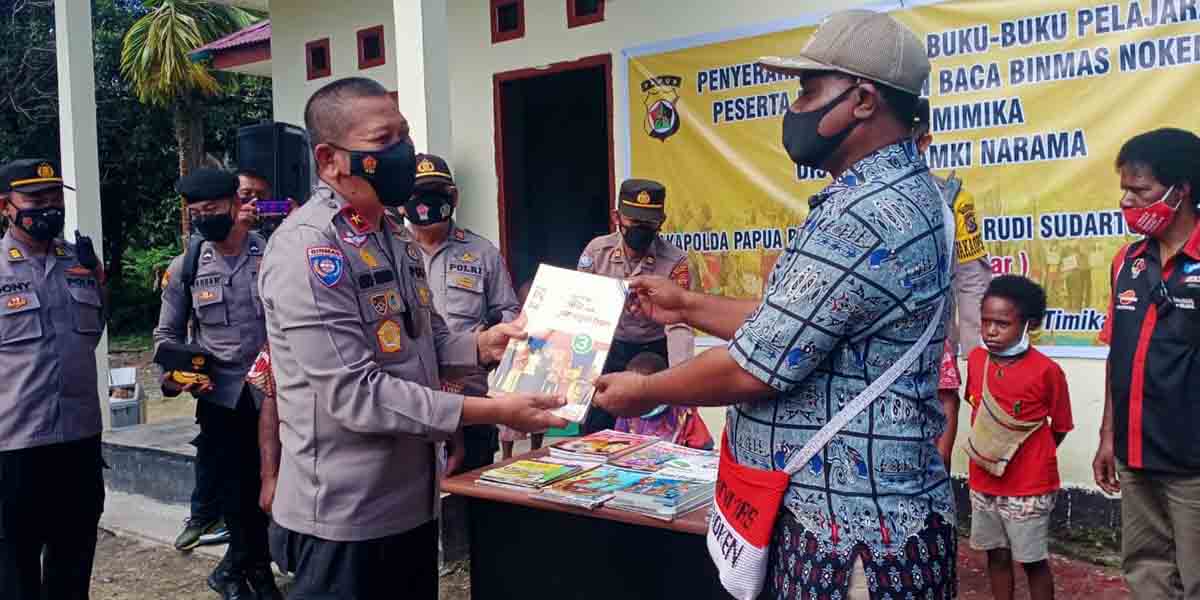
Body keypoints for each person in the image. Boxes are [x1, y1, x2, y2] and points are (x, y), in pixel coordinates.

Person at [594, 11, 958, 599]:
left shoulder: (864, 214)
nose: (796, 106)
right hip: (861, 516)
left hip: (852, 536)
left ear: (863, 100)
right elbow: (793, 326)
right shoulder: (907, 193)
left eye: (809, 89)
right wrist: (686, 304)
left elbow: (752, 366)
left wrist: (642, 392)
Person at [257, 76, 566, 599]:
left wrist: (487, 343)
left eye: (405, 135)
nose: (404, 152)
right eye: (384, 142)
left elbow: (423, 343)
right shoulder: (309, 253)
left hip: (410, 503)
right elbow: (357, 396)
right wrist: (495, 410)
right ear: (331, 161)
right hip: (342, 517)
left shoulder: (390, 234)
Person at [154, 168, 281, 600]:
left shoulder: (272, 255)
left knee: (272, 489)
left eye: (212, 209)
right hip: (222, 398)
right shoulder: (186, 267)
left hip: (275, 396)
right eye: (196, 213)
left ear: (234, 203)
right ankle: (253, 576)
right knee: (236, 493)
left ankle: (239, 571)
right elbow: (166, 340)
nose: (205, 218)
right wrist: (180, 378)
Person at [1094, 128, 1200, 599]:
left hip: (1193, 463)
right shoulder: (1127, 262)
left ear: (1182, 190)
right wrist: (1107, 436)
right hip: (1136, 456)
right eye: (1125, 190)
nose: (1127, 201)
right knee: (1145, 571)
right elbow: (1118, 353)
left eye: (1140, 191)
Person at [0, 159, 107, 600]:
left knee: (74, 560)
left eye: (53, 196)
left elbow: (95, 329)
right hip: (15, 446)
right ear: (6, 206)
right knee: (15, 569)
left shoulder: (80, 262)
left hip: (79, 441)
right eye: (34, 198)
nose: (47, 206)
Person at [404, 153, 520, 473]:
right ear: (402, 203)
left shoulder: (482, 253)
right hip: (411, 407)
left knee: (472, 503)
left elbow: (508, 312)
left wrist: (489, 343)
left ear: (453, 197)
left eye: (436, 192)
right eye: (416, 194)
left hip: (471, 406)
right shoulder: (391, 251)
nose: (426, 202)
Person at [965, 275, 1072, 600]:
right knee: (995, 556)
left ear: (1029, 324)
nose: (991, 331)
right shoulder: (977, 360)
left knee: (1032, 561)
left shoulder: (1046, 371)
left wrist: (1028, 458)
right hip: (984, 482)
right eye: (985, 322)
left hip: (1029, 487)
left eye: (1002, 323)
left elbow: (1061, 426)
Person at [577, 178, 695, 433]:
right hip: (607, 348)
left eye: (649, 223)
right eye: (634, 221)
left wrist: (682, 380)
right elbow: (581, 311)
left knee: (655, 428)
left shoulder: (675, 261)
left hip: (654, 352)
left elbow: (679, 324)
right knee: (597, 427)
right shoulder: (597, 253)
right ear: (617, 217)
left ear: (661, 222)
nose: (641, 228)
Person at [913, 97, 992, 354]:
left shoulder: (953, 200)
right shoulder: (854, 199)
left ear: (924, 142)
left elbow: (972, 284)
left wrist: (976, 360)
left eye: (902, 144)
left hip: (933, 352)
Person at [612, 352, 713, 449]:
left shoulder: (683, 412)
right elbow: (618, 444)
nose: (639, 396)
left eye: (645, 389)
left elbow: (703, 445)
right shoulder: (627, 413)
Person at [499, 282, 547, 459]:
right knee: (508, 416)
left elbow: (545, 348)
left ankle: (536, 451)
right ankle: (506, 456)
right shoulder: (514, 322)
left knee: (538, 412)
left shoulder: (547, 326)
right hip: (515, 374)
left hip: (537, 373)